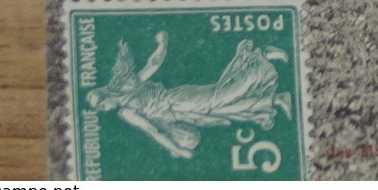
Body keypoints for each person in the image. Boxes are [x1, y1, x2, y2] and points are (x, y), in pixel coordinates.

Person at [86, 32, 292, 160]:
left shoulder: (128, 107)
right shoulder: (127, 98)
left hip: (177, 99)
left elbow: (153, 130)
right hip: (180, 112)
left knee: (220, 97)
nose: (103, 108)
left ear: (105, 96)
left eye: (100, 103)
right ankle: (277, 98)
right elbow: (153, 67)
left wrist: (163, 44)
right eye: (99, 108)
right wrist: (163, 44)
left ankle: (262, 55)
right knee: (224, 108)